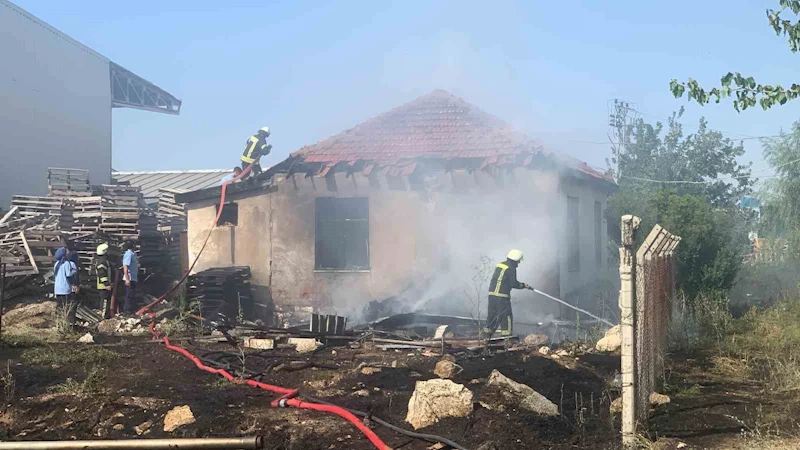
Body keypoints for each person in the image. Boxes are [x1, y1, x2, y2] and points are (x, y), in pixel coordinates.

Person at [484, 249, 532, 339]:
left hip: (492, 295)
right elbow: (513, 283)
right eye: (518, 262)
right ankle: (507, 339)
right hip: (502, 297)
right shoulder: (511, 268)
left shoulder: (500, 265)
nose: (518, 264)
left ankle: (486, 337)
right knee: (506, 317)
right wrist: (523, 285)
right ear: (515, 260)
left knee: (492, 315)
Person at [53, 247, 79, 328]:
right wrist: (74, 271)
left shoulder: (56, 264)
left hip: (57, 289)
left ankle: (58, 323)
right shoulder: (67, 264)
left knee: (60, 306)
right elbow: (69, 275)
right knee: (67, 306)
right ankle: (68, 324)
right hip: (65, 289)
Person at [94, 243, 113, 319]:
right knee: (104, 302)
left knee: (106, 301)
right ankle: (103, 318)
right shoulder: (102, 262)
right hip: (103, 286)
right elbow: (102, 274)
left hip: (105, 286)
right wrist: (106, 284)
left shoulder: (104, 260)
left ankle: (106, 316)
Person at [122, 240, 139, 315]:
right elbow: (125, 267)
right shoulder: (128, 254)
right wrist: (127, 279)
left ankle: (131, 310)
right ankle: (127, 311)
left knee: (132, 295)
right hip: (129, 278)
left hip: (133, 278)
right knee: (129, 295)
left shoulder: (133, 254)